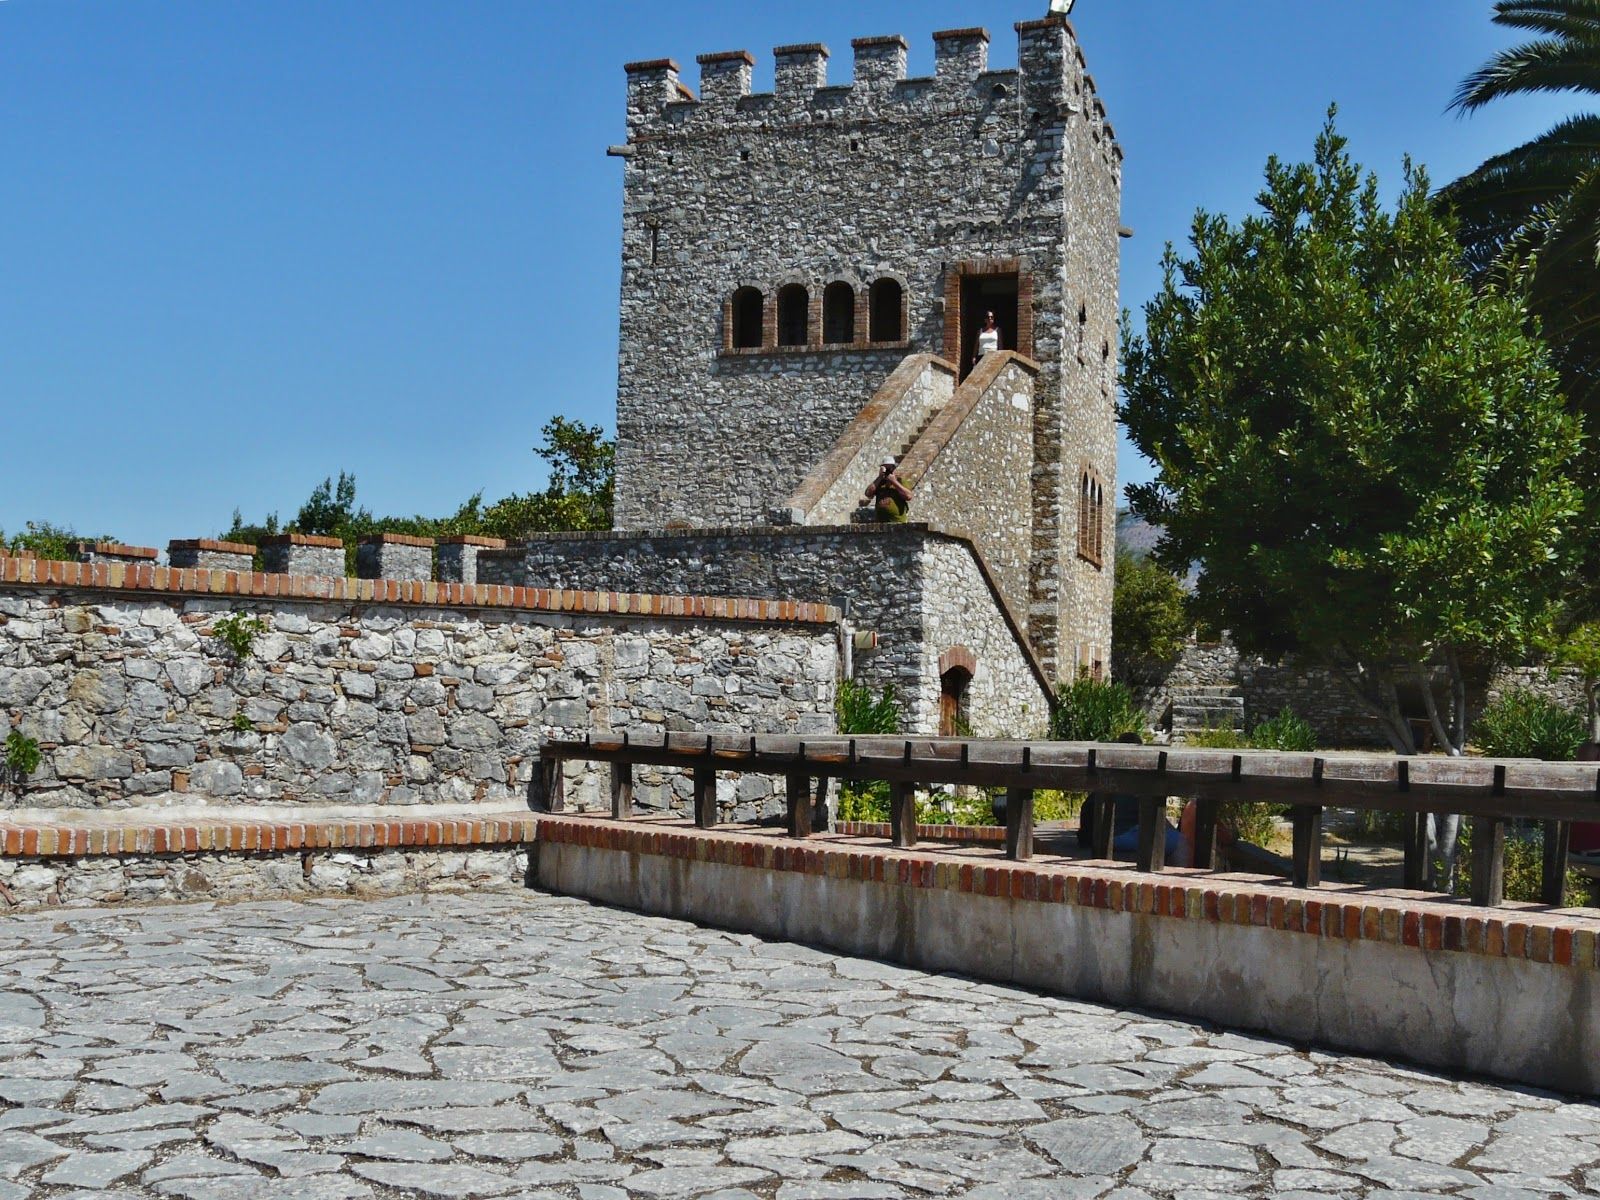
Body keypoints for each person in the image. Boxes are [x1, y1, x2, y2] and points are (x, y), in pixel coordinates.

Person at [864, 458, 912, 522]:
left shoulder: (900, 481)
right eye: (886, 467)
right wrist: (880, 477)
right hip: (881, 523)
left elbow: (908, 496)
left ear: (894, 468)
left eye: (890, 467)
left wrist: (894, 482)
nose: (888, 470)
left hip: (897, 522)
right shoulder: (879, 482)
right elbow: (868, 493)